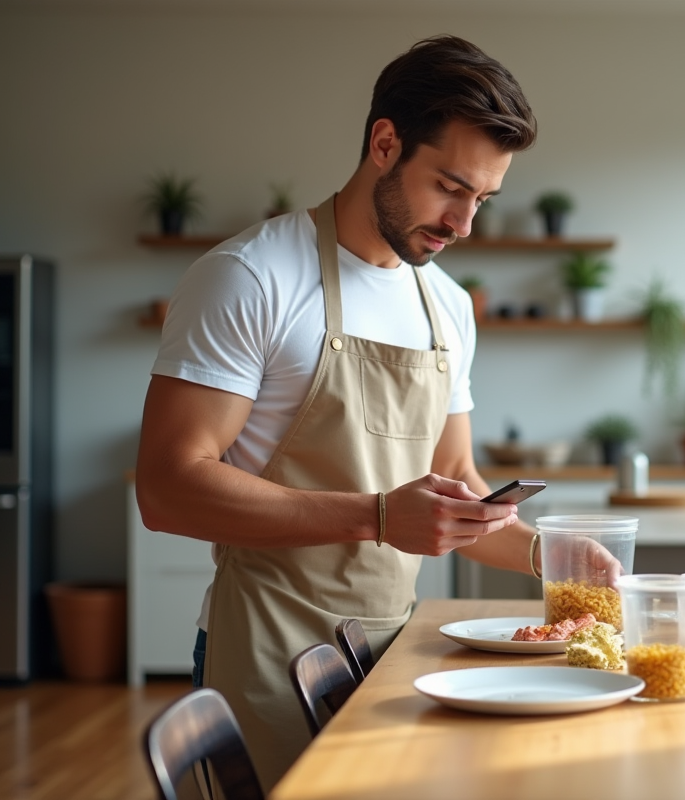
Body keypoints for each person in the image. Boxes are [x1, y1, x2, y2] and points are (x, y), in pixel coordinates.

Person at [136, 34, 553, 791]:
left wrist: (555, 560)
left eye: (483, 200)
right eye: (449, 187)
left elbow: (455, 479)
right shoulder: (252, 277)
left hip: (391, 656)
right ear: (385, 144)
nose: (464, 224)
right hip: (266, 654)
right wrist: (380, 517)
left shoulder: (447, 307)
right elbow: (166, 488)